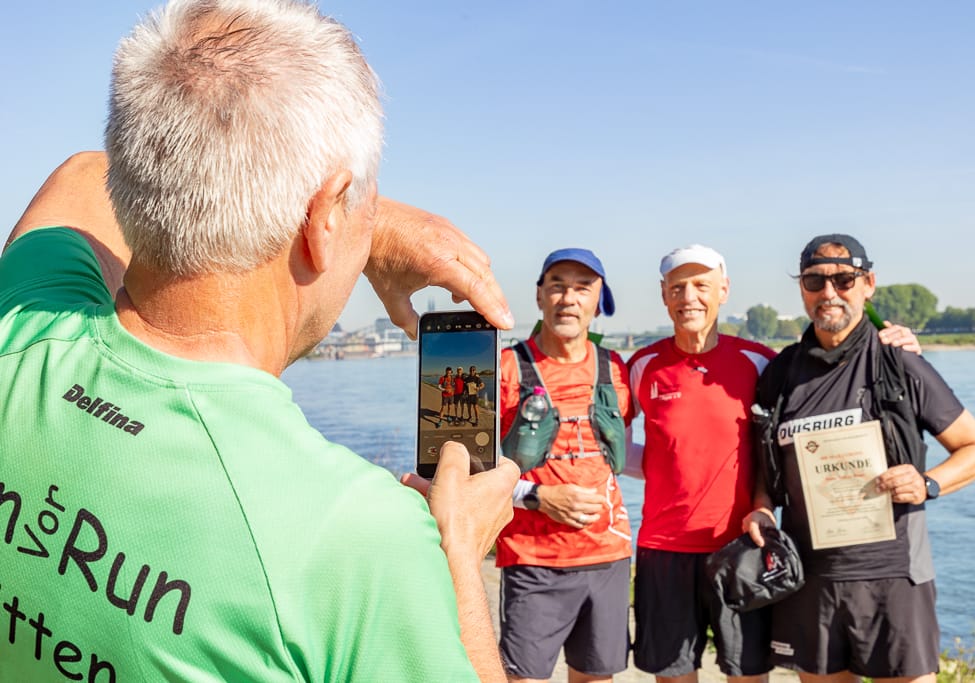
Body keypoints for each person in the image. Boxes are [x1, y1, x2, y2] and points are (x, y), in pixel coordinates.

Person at [0, 1, 519, 681]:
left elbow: (78, 177)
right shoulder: (357, 539)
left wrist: (361, 215)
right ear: (325, 215)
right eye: (363, 200)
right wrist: (453, 554)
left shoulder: (25, 331)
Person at [625, 245, 925, 683]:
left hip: (745, 547)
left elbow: (791, 435)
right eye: (678, 287)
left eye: (701, 285)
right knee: (672, 676)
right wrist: (662, 466)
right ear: (664, 295)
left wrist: (896, 341)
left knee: (748, 675)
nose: (689, 296)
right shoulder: (642, 365)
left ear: (723, 290)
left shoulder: (760, 362)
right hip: (663, 549)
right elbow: (609, 446)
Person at [753, 234, 975, 683]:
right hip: (811, 578)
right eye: (814, 281)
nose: (829, 293)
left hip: (894, 576)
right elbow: (766, 471)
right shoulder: (781, 373)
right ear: (802, 289)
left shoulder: (899, 363)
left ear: (868, 284)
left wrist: (928, 482)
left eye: (844, 279)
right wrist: (762, 507)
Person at [497, 248, 633, 683]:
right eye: (556, 285)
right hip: (533, 561)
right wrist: (536, 496)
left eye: (582, 287)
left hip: (607, 558)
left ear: (599, 301)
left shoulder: (617, 369)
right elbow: (466, 470)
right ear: (539, 296)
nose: (568, 298)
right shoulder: (505, 369)